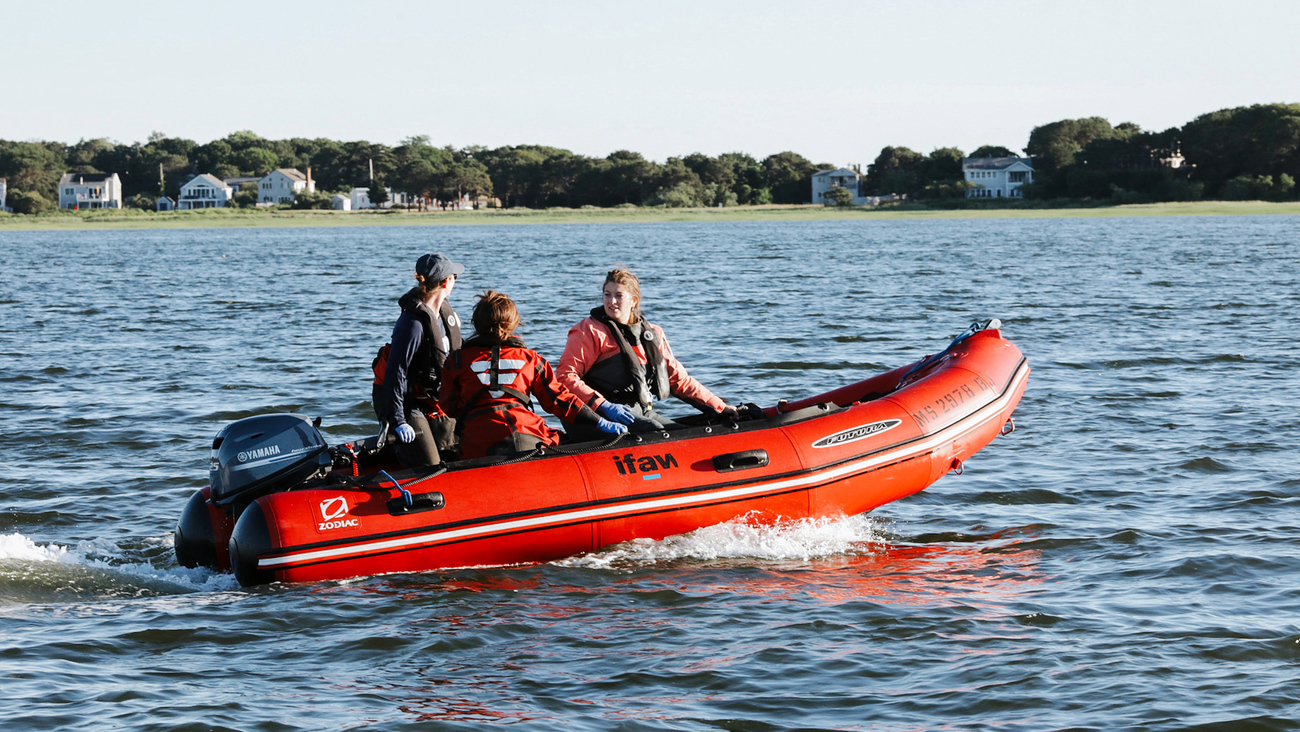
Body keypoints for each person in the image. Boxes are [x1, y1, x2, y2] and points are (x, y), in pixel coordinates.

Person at [439, 290, 629, 459]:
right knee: (561, 438)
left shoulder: (456, 361)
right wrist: (598, 420)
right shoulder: (531, 359)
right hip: (525, 437)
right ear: (513, 324)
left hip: (478, 444)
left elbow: (449, 407)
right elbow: (559, 400)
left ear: (476, 323)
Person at [558, 268, 738, 439]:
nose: (611, 301)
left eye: (618, 296)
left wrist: (720, 407)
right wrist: (604, 405)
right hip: (594, 416)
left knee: (681, 434)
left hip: (637, 410)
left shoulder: (653, 333)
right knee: (656, 433)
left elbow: (679, 380)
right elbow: (565, 377)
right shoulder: (588, 331)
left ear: (634, 300)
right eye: (607, 295)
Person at [376, 253, 465, 467]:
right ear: (446, 282)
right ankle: (393, 451)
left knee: (456, 449)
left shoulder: (446, 316)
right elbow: (395, 374)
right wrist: (397, 420)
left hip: (428, 397)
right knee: (430, 464)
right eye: (455, 276)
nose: (455, 280)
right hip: (402, 400)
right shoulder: (412, 325)